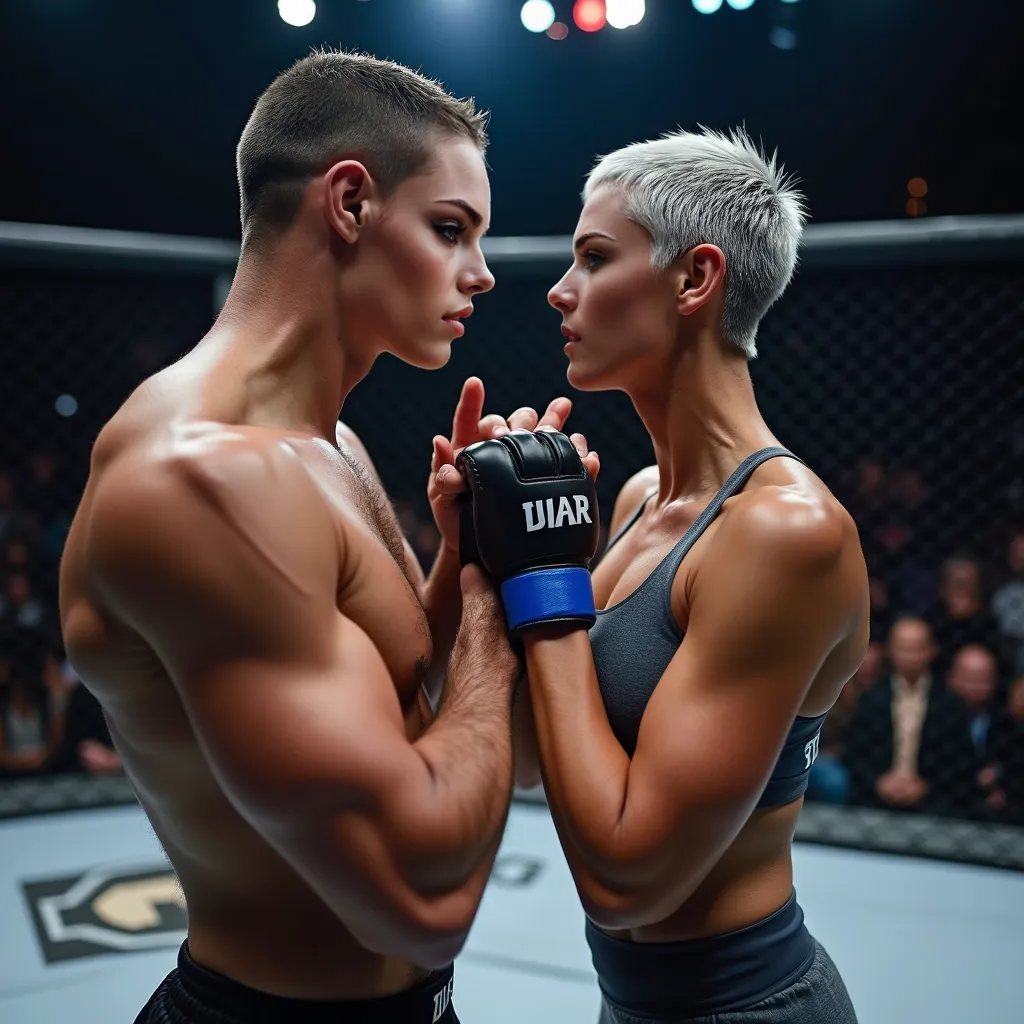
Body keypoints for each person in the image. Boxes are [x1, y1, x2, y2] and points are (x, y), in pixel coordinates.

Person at [59, 50, 581, 1024]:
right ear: (349, 204)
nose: (481, 272)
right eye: (449, 228)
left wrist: (469, 553)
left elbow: (407, 699)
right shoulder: (201, 479)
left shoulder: (326, 445)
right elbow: (416, 907)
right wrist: (498, 604)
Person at [450, 128, 867, 1023]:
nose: (561, 290)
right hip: (631, 1003)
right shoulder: (642, 498)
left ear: (694, 279)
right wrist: (485, 557)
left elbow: (626, 877)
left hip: (745, 1005)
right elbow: (529, 759)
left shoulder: (783, 532)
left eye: (595, 258)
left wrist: (551, 572)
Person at [844, 617, 976, 815]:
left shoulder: (950, 704)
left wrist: (927, 786)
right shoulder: (871, 699)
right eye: (903, 648)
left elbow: (960, 759)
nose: (910, 656)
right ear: (890, 651)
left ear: (932, 650)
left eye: (917, 648)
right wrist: (878, 782)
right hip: (873, 797)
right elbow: (855, 751)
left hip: (935, 801)